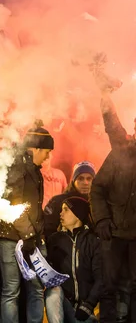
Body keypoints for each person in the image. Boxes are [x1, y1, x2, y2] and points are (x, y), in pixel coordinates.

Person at [0, 124, 54, 323]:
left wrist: (38, 235)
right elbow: (14, 203)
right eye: (46, 151)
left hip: (31, 237)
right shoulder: (15, 165)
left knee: (36, 288)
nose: (48, 157)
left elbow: (35, 208)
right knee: (12, 289)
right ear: (35, 148)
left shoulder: (34, 169)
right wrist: (28, 234)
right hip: (10, 236)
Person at [90, 127, 136, 323]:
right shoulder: (120, 153)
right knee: (108, 285)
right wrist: (101, 219)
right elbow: (98, 187)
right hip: (113, 233)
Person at [45, 197, 102, 323]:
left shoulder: (93, 241)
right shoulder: (55, 240)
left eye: (66, 209)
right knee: (54, 290)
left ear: (78, 215)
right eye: (61, 210)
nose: (61, 213)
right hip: (63, 304)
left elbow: (101, 278)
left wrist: (88, 305)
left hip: (83, 310)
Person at [43, 161, 96, 239]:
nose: (85, 182)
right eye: (80, 178)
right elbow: (47, 228)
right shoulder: (57, 201)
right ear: (73, 181)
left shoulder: (99, 203)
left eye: (89, 179)